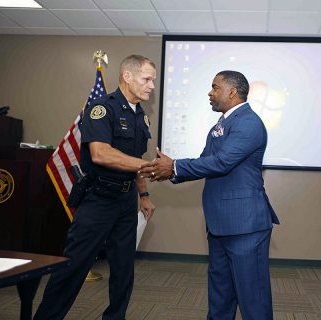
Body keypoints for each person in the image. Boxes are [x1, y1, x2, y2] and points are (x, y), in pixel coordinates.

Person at [140, 70, 279, 320]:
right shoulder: (222, 124)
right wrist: (169, 172)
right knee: (220, 296)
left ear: (232, 92)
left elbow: (223, 162)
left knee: (253, 301)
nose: (210, 92)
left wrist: (174, 166)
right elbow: (206, 161)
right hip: (219, 225)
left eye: (215, 87)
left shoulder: (249, 122)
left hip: (245, 226)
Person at [34, 55, 157, 320]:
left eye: (153, 81)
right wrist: (148, 166)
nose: (151, 86)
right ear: (127, 76)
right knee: (73, 267)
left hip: (126, 201)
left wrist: (144, 194)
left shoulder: (141, 118)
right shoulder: (102, 108)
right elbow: (101, 154)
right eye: (147, 79)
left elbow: (133, 164)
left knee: (124, 269)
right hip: (98, 199)